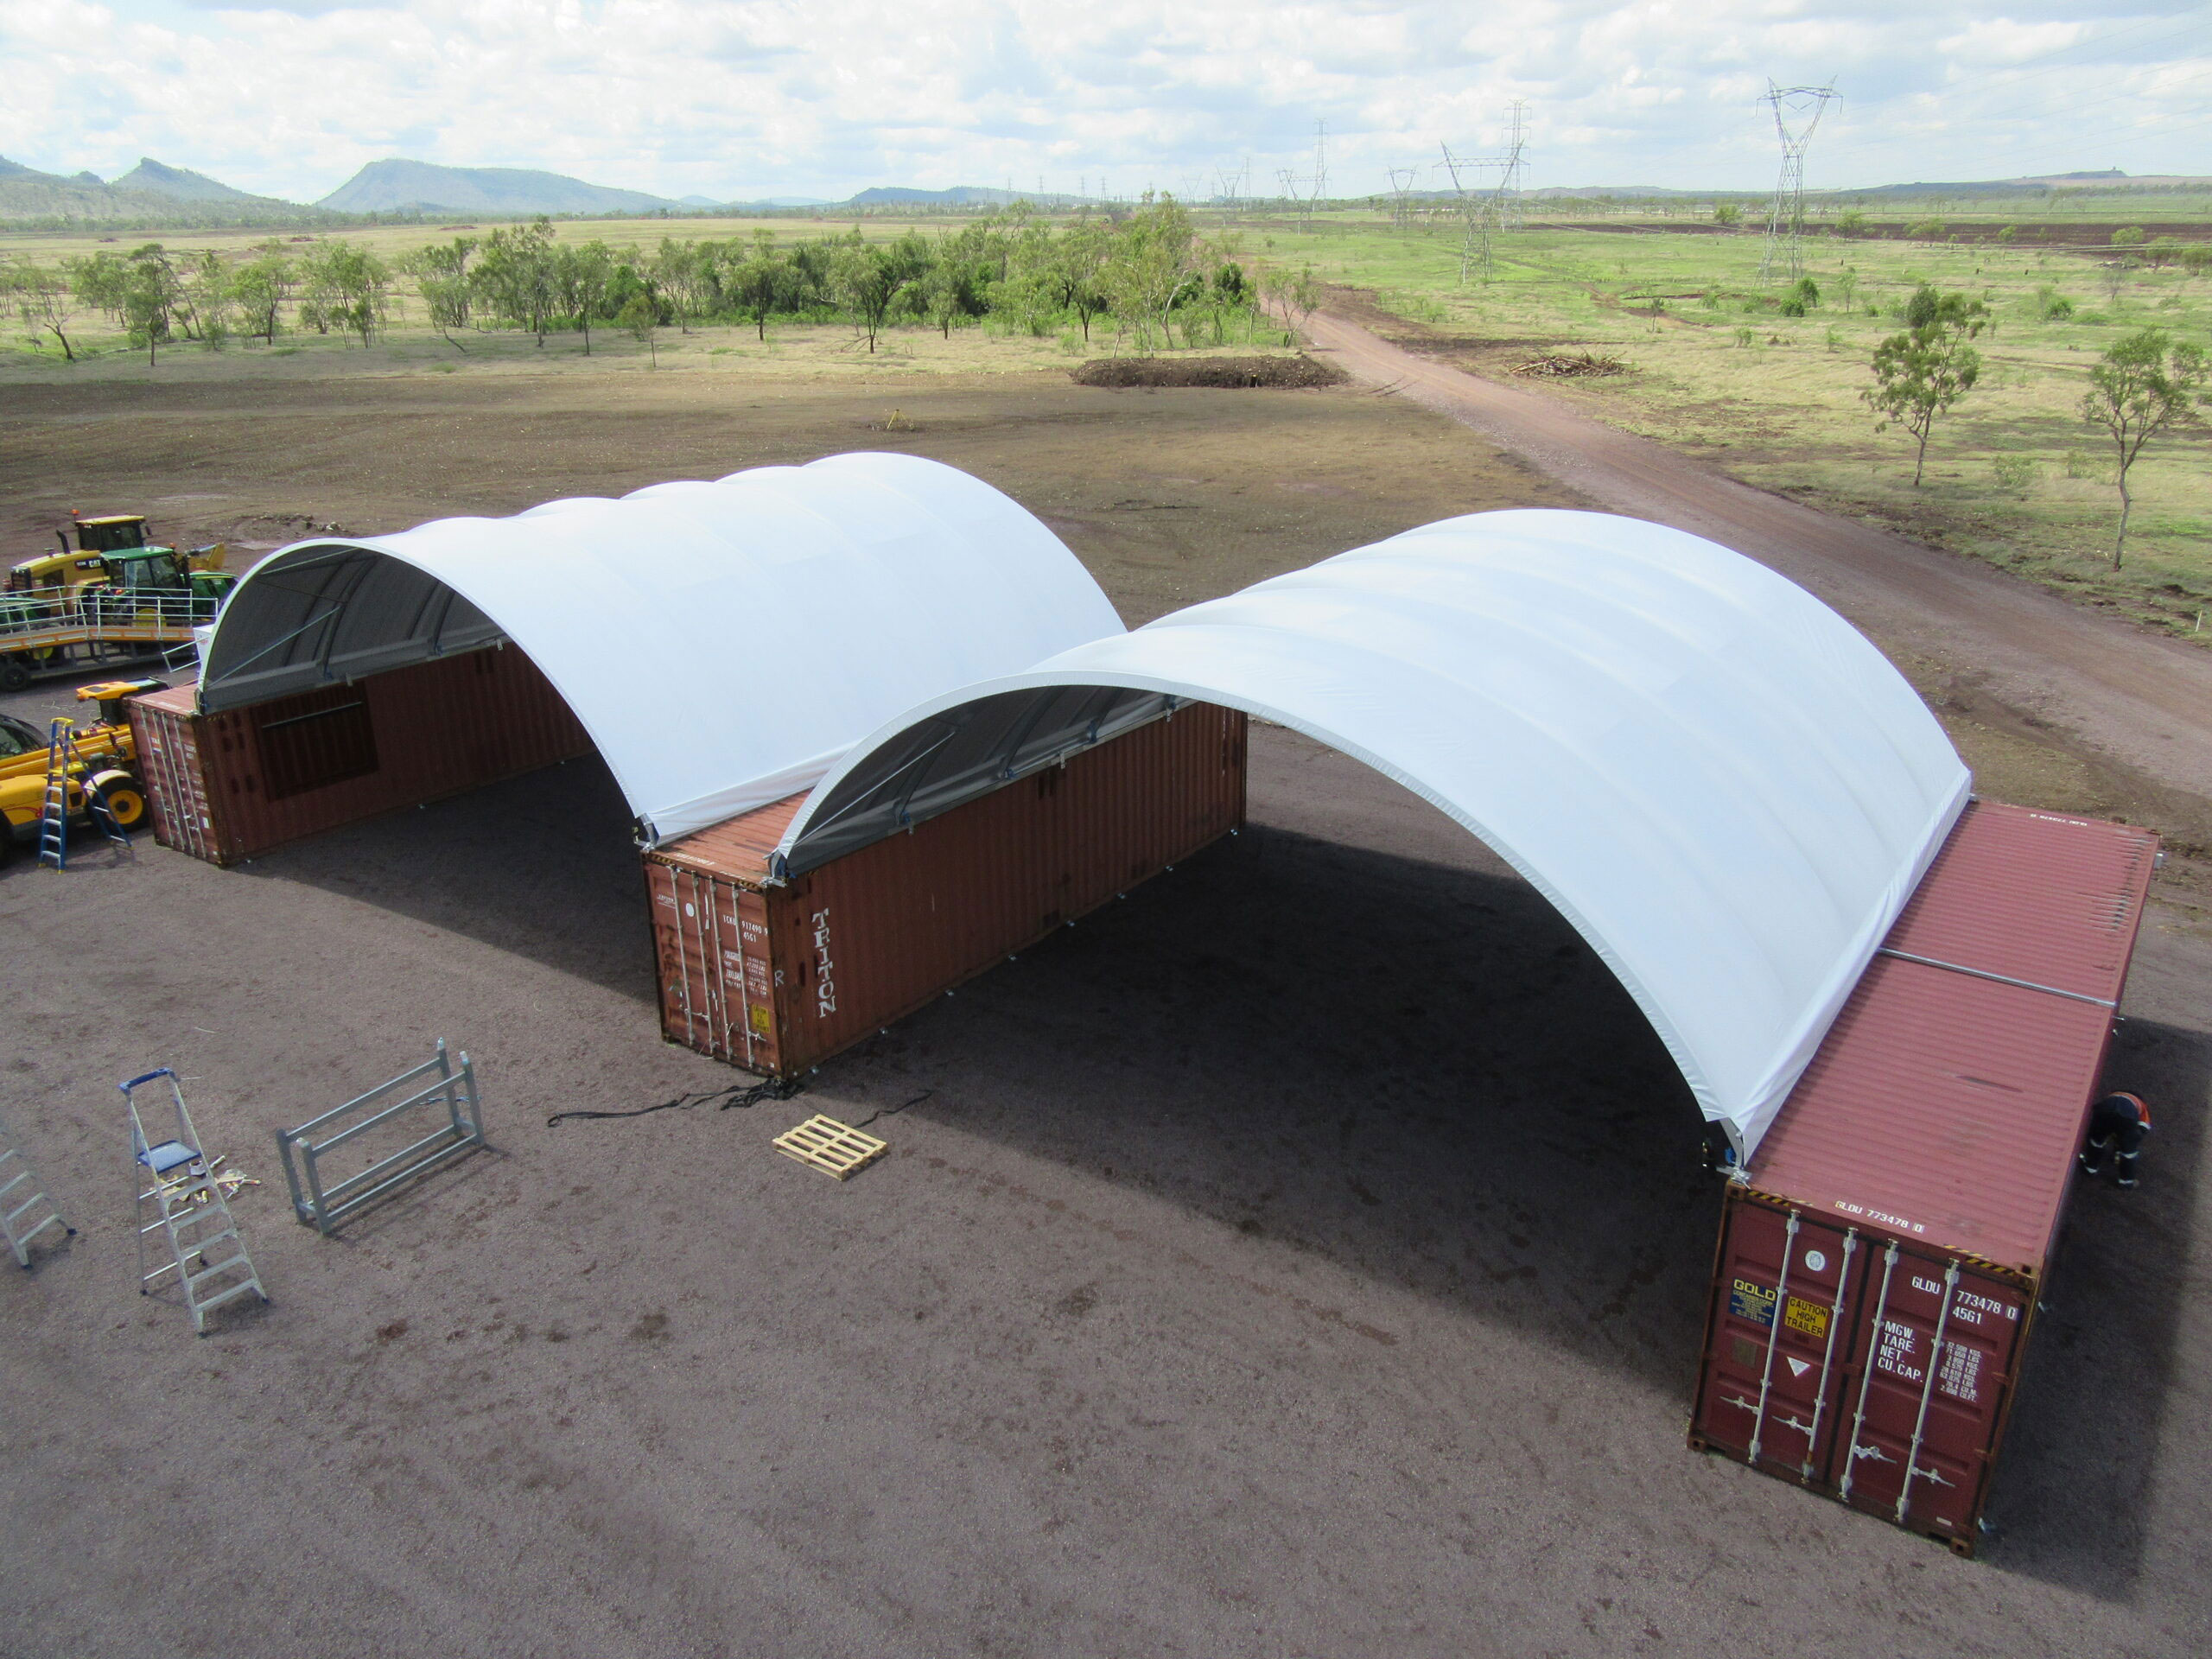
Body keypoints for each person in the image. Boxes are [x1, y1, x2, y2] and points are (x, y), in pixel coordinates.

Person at [2081, 1091, 2153, 1189]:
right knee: (2129, 1153)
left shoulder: (2112, 1095)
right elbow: (2143, 1127)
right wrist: (2123, 1144)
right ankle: (2126, 1182)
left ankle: (2090, 1168)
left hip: (2105, 1110)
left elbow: (2095, 1109)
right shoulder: (2141, 1104)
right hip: (2126, 1117)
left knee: (2096, 1141)